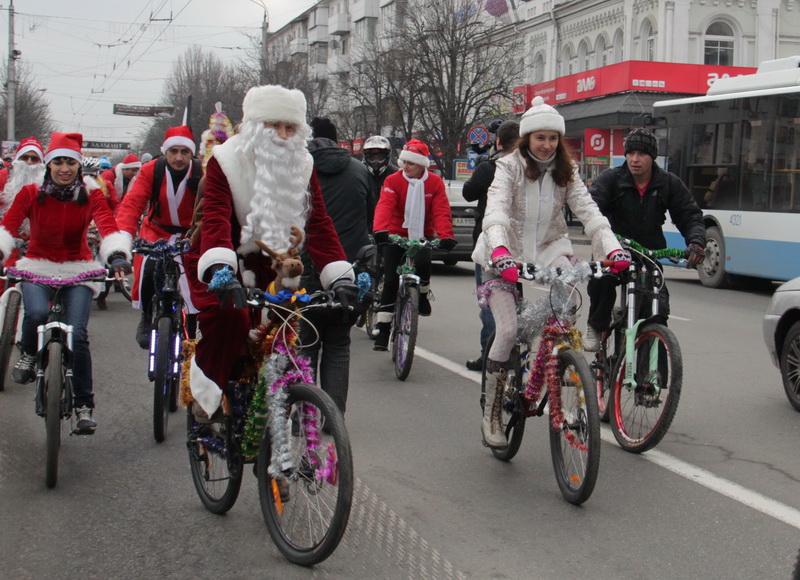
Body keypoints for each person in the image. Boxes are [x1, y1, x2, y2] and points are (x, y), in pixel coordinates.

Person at [182, 84, 356, 420]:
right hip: (221, 255)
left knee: (285, 326)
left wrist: (339, 276)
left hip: (274, 264)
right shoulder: (225, 159)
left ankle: (272, 415)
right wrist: (221, 270)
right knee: (229, 318)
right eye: (273, 126)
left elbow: (318, 221)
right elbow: (215, 219)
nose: (282, 135)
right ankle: (207, 395)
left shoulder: (302, 163)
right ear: (254, 126)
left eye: (290, 127)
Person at [474, 96, 627, 448]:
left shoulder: (565, 171)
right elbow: (495, 211)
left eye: (553, 138)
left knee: (567, 302)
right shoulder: (508, 167)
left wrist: (612, 248)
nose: (546, 145)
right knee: (507, 330)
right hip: (503, 254)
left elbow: (590, 212)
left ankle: (557, 367)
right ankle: (492, 413)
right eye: (540, 137)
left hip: (549, 249)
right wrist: (500, 250)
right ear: (527, 138)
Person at [0, 132, 132, 432]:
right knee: (36, 313)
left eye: (70, 163)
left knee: (79, 334)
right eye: (58, 162)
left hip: (77, 269)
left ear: (78, 166)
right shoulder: (31, 193)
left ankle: (84, 405)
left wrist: (116, 255)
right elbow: (9, 224)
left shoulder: (92, 194)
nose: (64, 169)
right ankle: (30, 354)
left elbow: (107, 224)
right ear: (49, 165)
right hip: (38, 266)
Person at [585, 127, 706, 351]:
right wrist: (599, 232)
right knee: (602, 281)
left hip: (648, 255)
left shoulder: (668, 183)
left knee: (657, 308)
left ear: (653, 157)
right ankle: (596, 325)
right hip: (614, 250)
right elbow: (591, 208)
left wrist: (696, 242)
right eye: (630, 153)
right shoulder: (611, 179)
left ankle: (654, 365)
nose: (635, 159)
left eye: (642, 154)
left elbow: (690, 216)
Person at [299, 117, 371, 415]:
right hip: (347, 269)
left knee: (305, 341)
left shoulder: (300, 170)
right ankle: (334, 417)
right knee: (339, 343)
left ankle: (303, 416)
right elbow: (370, 217)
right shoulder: (359, 170)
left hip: (306, 265)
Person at [116, 126, 202, 349]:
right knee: (149, 268)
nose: (179, 158)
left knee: (195, 278)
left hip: (190, 233)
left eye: (185, 152)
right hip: (157, 231)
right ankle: (146, 317)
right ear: (165, 151)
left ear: (192, 153)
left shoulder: (202, 172)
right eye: (174, 151)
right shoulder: (151, 170)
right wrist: (122, 238)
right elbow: (132, 204)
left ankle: (193, 325)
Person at [371, 138, 457, 350]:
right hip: (395, 233)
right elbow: (385, 205)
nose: (405, 166)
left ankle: (423, 295)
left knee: (424, 264)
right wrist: (380, 230)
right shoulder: (393, 180)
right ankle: (383, 329)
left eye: (410, 163)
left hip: (422, 234)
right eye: (404, 162)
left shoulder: (434, 183)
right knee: (391, 279)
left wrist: (445, 235)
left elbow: (441, 211)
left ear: (421, 164)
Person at [462, 120, 519, 372]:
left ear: (498, 142)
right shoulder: (528, 168)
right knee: (516, 301)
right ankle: (513, 353)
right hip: (519, 244)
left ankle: (490, 355)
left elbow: (468, 193)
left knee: (490, 299)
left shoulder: (491, 167)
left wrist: (484, 162)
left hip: (491, 243)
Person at [362, 135, 398, 229]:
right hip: (365, 225)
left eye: (379, 157)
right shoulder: (361, 174)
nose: (376, 162)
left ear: (387, 156)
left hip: (391, 226)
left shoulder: (396, 175)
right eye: (372, 158)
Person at [0, 137, 45, 212]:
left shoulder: (49, 181)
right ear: (18, 159)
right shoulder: (2, 176)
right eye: (24, 157)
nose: (29, 162)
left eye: (34, 159)